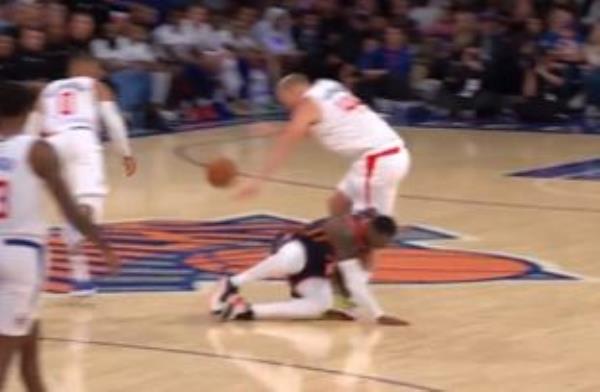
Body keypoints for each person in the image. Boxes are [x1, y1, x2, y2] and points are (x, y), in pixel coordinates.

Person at [0, 81, 118, 392]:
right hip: (21, 258)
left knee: (30, 362)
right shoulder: (37, 150)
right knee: (6, 358)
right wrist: (103, 245)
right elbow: (71, 211)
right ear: (28, 113)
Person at [24, 55, 136, 296]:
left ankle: (80, 278)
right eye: (97, 66)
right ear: (83, 67)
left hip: (53, 143)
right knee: (89, 203)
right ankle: (80, 234)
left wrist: (28, 154)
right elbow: (113, 121)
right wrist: (126, 153)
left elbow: (33, 124)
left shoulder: (47, 89)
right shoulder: (94, 85)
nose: (100, 71)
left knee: (68, 203)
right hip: (83, 139)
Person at [238, 74, 410, 216]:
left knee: (365, 228)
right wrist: (275, 129)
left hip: (378, 159)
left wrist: (257, 181)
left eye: (285, 101)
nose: (287, 107)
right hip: (384, 154)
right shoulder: (327, 85)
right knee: (337, 204)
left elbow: (284, 146)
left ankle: (355, 256)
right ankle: (344, 251)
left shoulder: (307, 104)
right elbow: (322, 124)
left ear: (292, 91)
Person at [211, 211, 407, 326]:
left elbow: (354, 282)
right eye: (378, 244)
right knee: (291, 259)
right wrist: (378, 314)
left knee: (320, 304)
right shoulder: (345, 234)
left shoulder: (371, 226)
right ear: (370, 231)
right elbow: (354, 283)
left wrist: (346, 306)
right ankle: (232, 282)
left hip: (317, 264)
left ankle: (246, 311)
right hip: (297, 244)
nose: (378, 249)